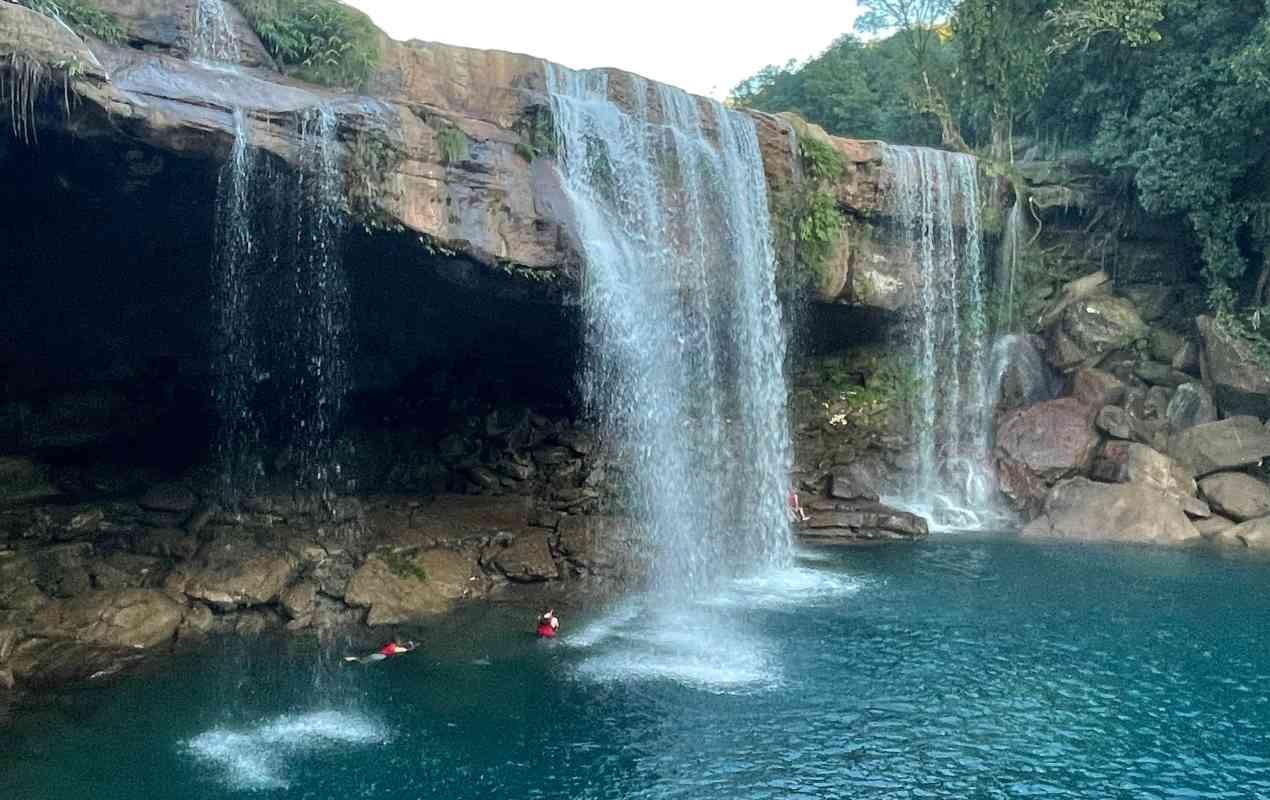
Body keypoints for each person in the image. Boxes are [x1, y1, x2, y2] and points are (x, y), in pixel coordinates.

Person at [344, 638, 416, 664]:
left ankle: (355, 657)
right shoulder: (395, 648)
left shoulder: (392, 645)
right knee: (363, 661)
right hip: (380, 655)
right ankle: (352, 658)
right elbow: (405, 649)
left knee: (367, 658)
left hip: (379, 653)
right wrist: (411, 646)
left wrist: (409, 643)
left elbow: (401, 646)